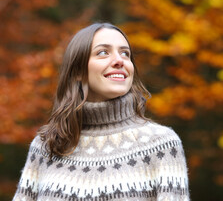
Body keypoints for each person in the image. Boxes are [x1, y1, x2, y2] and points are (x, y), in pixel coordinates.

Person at [13, 23, 190, 201]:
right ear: (78, 71)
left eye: (125, 53)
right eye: (103, 52)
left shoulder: (161, 144)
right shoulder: (47, 146)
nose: (119, 60)